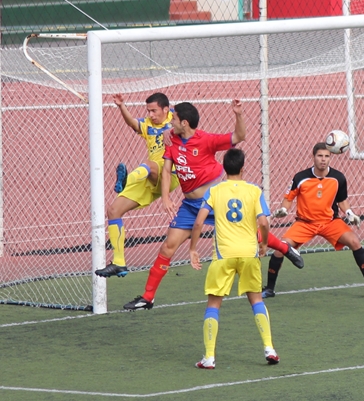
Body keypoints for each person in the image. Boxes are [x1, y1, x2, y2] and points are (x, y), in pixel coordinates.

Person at [123, 100, 303, 310]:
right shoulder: (171, 138)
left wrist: (238, 115)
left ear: (185, 122)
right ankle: (148, 297)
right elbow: (166, 170)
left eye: (173, 117)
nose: (170, 120)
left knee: (245, 232)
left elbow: (239, 137)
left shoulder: (206, 140)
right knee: (167, 246)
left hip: (213, 201)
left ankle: (285, 248)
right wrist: (165, 197)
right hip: (189, 206)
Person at [188, 148, 279, 369]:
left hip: (223, 255)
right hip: (249, 254)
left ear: (224, 168)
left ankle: (209, 357)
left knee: (213, 304)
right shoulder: (254, 190)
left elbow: (199, 222)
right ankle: (269, 348)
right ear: (243, 168)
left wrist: (193, 249)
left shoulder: (215, 191)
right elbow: (264, 222)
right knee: (256, 300)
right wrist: (264, 243)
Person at [262, 142, 364, 299]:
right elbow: (289, 197)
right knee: (280, 249)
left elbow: (342, 200)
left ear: (331, 157)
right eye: (320, 156)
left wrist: (349, 213)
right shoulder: (300, 177)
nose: (323, 159)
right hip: (304, 223)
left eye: (327, 156)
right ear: (313, 157)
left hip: (330, 222)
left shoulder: (338, 178)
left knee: (355, 242)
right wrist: (284, 209)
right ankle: (270, 289)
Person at [95, 92, 180, 278]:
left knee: (148, 165)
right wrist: (121, 106)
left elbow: (188, 123)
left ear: (166, 109)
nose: (150, 114)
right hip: (148, 177)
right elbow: (133, 123)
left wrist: (172, 129)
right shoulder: (148, 125)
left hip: (170, 174)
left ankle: (126, 181)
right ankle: (119, 263)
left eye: (154, 111)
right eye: (148, 111)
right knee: (113, 211)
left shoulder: (176, 117)